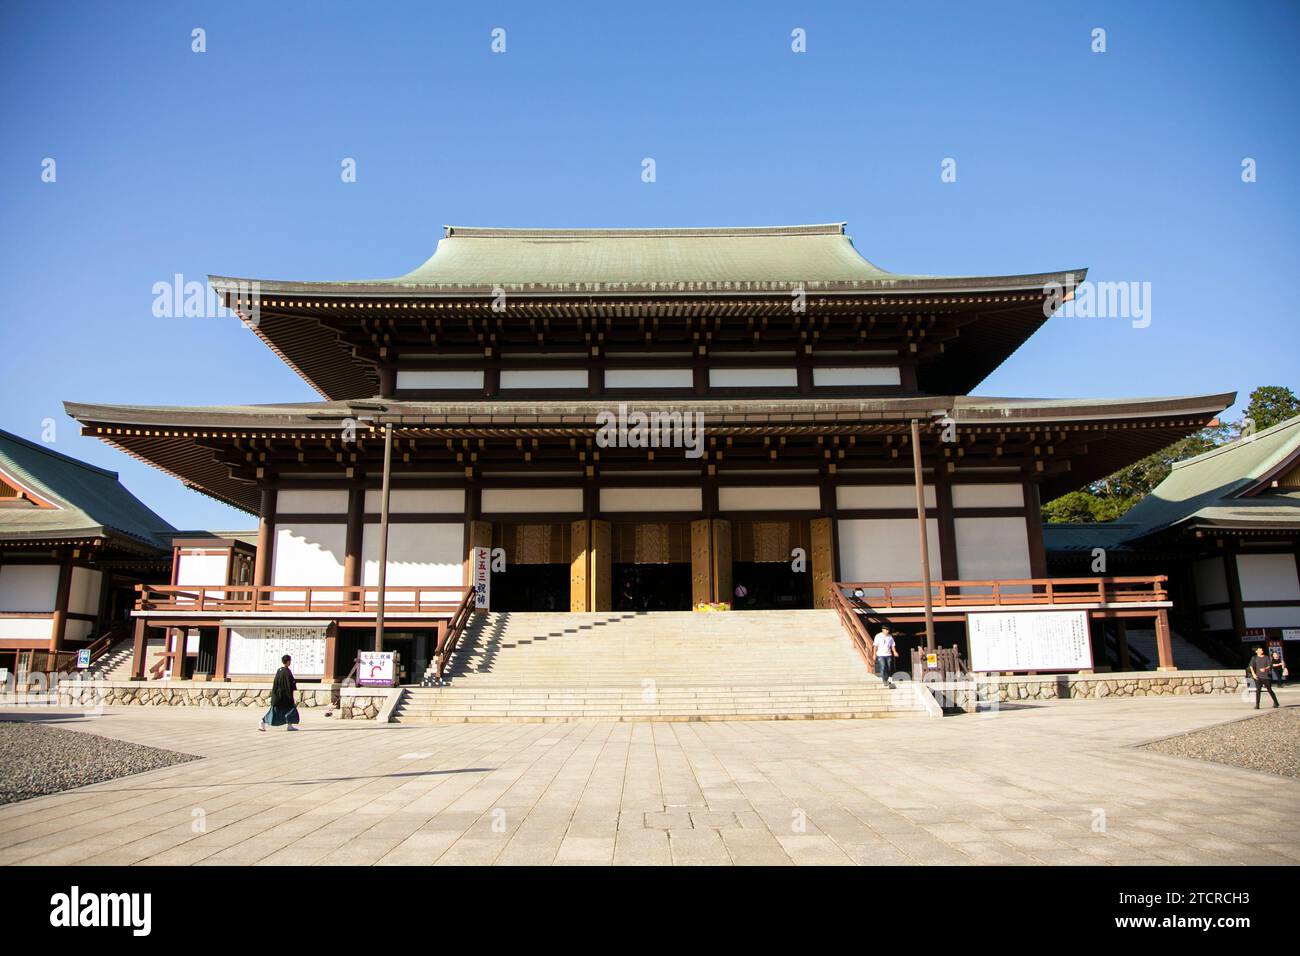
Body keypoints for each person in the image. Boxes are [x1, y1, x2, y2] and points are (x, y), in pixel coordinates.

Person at [260, 654, 301, 731]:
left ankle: (289, 725)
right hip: (284, 697)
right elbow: (290, 684)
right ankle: (262, 721)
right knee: (275, 712)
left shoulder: (279, 671)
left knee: (289, 710)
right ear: (288, 661)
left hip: (278, 696)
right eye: (290, 661)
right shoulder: (287, 672)